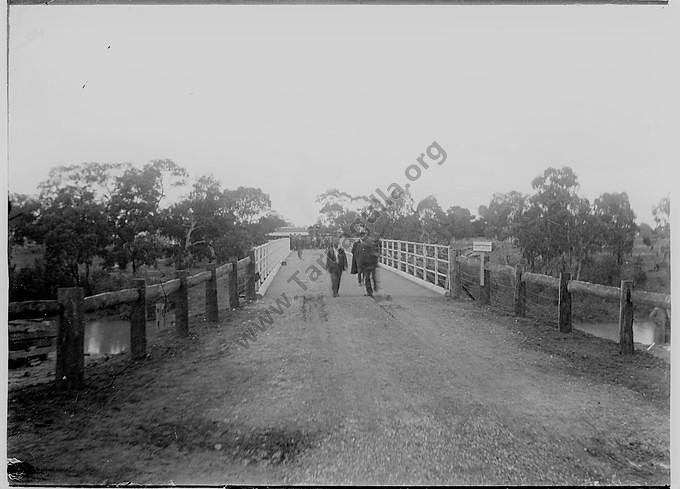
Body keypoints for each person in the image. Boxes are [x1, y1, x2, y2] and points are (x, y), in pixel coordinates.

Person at [326, 233, 348, 297]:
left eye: (337, 241)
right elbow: (328, 259)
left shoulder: (341, 250)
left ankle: (337, 291)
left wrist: (345, 265)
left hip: (339, 267)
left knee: (338, 280)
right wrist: (327, 267)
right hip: (333, 267)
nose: (336, 243)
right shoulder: (330, 250)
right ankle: (334, 292)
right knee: (333, 279)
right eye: (335, 241)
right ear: (333, 243)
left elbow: (344, 258)